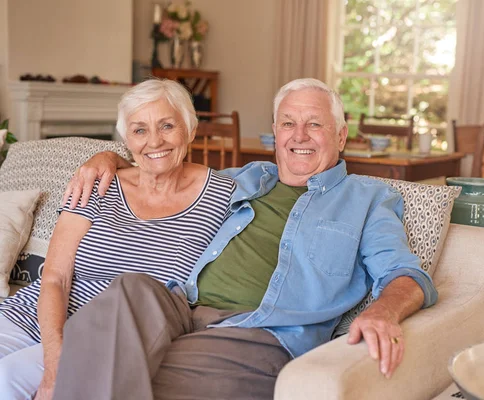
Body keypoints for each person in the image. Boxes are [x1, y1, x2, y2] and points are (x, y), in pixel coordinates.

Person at [53, 78, 438, 400]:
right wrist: (108, 157)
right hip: (180, 307)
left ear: (340, 135)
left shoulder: (367, 199)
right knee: (126, 292)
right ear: (275, 133)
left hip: (261, 333)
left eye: (314, 124)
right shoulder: (245, 178)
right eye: (287, 123)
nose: (299, 135)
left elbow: (403, 273)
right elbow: (163, 160)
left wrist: (384, 311)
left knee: (121, 366)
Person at [0, 79, 236, 400]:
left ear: (191, 130)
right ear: (126, 138)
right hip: (33, 315)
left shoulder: (224, 195)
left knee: (6, 381)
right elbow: (54, 277)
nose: (154, 141)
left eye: (167, 126)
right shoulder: (97, 184)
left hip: (109, 334)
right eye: (140, 130)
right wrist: (55, 361)